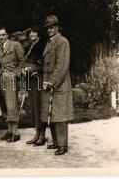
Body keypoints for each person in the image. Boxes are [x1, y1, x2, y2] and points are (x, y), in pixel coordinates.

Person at [41, 15, 74, 155]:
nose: (50, 30)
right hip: (48, 82)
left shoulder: (62, 41)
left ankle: (62, 145)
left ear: (58, 27)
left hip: (58, 83)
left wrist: (53, 82)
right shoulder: (50, 42)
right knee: (51, 114)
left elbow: (62, 65)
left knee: (60, 116)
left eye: (52, 27)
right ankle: (55, 142)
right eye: (47, 28)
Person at [0, 26, 25, 143]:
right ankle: (9, 130)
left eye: (3, 35)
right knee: (5, 105)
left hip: (11, 77)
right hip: (1, 78)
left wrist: (15, 74)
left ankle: (15, 132)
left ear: (6, 35)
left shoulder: (15, 44)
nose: (1, 37)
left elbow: (22, 60)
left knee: (12, 105)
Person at [21, 26, 47, 146]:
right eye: (30, 32)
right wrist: (24, 70)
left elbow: (44, 65)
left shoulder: (42, 46)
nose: (31, 34)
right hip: (31, 80)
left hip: (38, 80)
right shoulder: (31, 46)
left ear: (39, 34)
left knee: (39, 107)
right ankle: (37, 133)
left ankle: (42, 135)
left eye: (34, 32)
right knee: (34, 107)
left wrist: (30, 70)